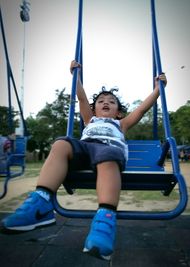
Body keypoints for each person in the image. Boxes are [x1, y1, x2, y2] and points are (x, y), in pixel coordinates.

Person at [1, 60, 167, 261]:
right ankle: (41, 203)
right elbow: (81, 98)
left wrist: (158, 89)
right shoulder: (90, 120)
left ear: (119, 111)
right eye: (101, 101)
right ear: (94, 108)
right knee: (61, 144)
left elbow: (141, 110)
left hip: (107, 151)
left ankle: (104, 221)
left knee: (108, 155)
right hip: (84, 149)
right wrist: (76, 76)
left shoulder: (121, 124)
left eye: (111, 101)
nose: (106, 102)